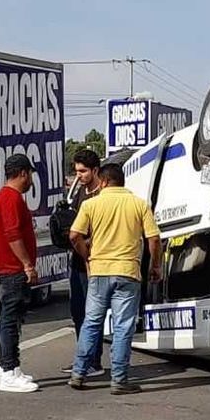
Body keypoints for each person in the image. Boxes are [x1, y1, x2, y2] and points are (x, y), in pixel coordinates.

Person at [67, 164, 162, 395]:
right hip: (128, 272)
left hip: (99, 271)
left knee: (91, 322)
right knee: (123, 327)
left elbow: (74, 235)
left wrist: (87, 255)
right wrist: (155, 266)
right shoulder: (139, 204)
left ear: (104, 181)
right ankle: (119, 380)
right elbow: (154, 239)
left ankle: (79, 373)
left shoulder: (91, 204)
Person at [0, 154, 41, 394]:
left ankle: (6, 367)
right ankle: (10, 369)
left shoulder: (4, 197)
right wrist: (27, 265)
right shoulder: (11, 199)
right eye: (30, 174)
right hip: (13, 269)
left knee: (8, 318)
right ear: (23, 173)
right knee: (11, 320)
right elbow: (12, 235)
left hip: (8, 267)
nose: (30, 179)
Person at [62, 149, 105, 376]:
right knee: (77, 310)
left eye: (83, 171)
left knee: (93, 313)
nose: (78, 175)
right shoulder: (79, 192)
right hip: (77, 260)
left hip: (95, 261)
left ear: (95, 170)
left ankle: (93, 360)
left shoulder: (101, 194)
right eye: (76, 171)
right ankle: (83, 356)